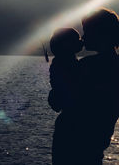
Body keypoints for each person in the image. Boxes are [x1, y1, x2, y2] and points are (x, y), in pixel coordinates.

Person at [75, 8, 119, 164]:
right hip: (95, 145)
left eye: (87, 31)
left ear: (100, 33)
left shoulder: (89, 65)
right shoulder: (117, 64)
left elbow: (59, 101)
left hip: (78, 146)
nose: (83, 37)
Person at [47, 28, 84, 165]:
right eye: (76, 40)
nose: (81, 42)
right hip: (71, 125)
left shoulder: (61, 63)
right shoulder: (70, 65)